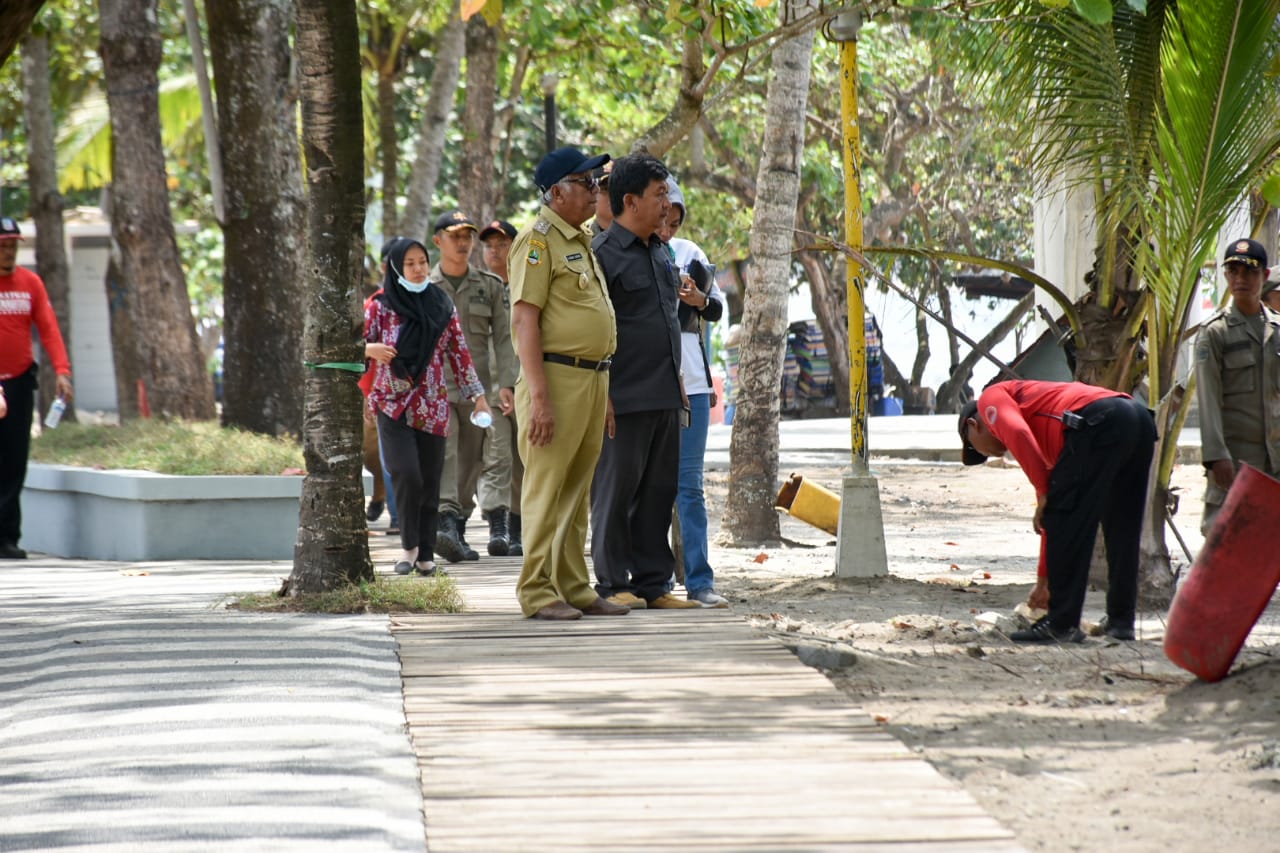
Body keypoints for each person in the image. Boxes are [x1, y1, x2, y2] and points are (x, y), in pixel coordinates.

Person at [509, 145, 630, 621]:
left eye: (597, 182)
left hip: (591, 379)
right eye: (587, 182)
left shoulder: (577, 240)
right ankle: (536, 591)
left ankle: (573, 586)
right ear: (557, 191)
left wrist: (604, 393)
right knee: (546, 488)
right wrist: (539, 397)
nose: (596, 191)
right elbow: (525, 321)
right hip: (555, 380)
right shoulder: (537, 241)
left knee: (578, 491)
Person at [958, 380, 1156, 643]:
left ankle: (1062, 623)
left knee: (1069, 517)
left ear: (974, 425)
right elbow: (1051, 520)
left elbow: (1016, 432)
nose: (985, 454)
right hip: (1139, 419)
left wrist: (1042, 491)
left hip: (1096, 421)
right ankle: (1121, 622)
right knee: (1122, 524)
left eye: (975, 448)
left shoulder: (990, 398)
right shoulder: (1047, 442)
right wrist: (1043, 582)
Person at [590, 154, 700, 611]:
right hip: (622, 395)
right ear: (630, 201)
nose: (666, 203)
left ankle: (655, 584)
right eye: (658, 195)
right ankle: (614, 583)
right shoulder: (601, 256)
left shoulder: (660, 251)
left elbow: (667, 322)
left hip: (663, 392)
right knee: (616, 492)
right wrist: (605, 395)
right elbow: (596, 329)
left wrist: (676, 382)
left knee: (659, 491)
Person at [364, 237, 491, 577]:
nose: (419, 269)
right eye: (410, 264)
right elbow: (354, 344)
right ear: (395, 267)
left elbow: (459, 354)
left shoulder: (441, 304)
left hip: (433, 406)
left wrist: (476, 394)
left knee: (430, 480)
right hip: (391, 405)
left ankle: (425, 555)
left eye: (422, 262)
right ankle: (408, 547)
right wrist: (371, 349)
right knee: (407, 473)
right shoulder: (380, 306)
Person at [428, 209, 519, 562]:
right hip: (439, 392)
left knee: (475, 458)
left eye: (467, 237)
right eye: (456, 237)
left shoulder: (489, 286)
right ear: (438, 241)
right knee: (447, 455)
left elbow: (504, 341)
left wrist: (505, 385)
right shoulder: (427, 288)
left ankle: (463, 529)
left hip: (482, 394)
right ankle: (446, 523)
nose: (463, 243)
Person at [657, 177, 728, 608]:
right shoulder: (629, 251)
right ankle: (656, 579)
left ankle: (700, 581)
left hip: (694, 387)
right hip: (651, 384)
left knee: (689, 486)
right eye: (662, 216)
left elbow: (717, 309)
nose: (668, 226)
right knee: (651, 486)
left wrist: (699, 299)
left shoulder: (691, 253)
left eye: (675, 218)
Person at [1194, 238, 1280, 534]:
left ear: (1264, 276)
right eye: (1233, 271)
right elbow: (1208, 398)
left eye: (1249, 271)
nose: (1240, 278)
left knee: (1270, 546)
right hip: (1237, 459)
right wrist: (1217, 456)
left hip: (1276, 457)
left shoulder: (1277, 330)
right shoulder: (1215, 333)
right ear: (1225, 275)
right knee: (1227, 539)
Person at [0, 217, 73, 560]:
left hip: (17, 383)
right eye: (3, 244)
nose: (8, 251)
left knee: (14, 462)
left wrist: (62, 370)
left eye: (13, 245)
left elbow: (49, 329)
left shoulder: (30, 283)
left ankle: (8, 538)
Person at [478, 218, 524, 557]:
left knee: (526, 461)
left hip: (528, 386)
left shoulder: (530, 283)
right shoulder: (480, 287)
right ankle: (498, 527)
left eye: (503, 243)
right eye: (490, 245)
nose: (495, 250)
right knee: (496, 457)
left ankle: (521, 529)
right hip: (490, 389)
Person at [361, 238, 400, 535]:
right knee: (374, 453)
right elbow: (358, 344)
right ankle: (379, 494)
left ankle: (398, 514)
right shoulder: (374, 304)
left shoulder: (429, 302)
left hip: (412, 396)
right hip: (372, 392)